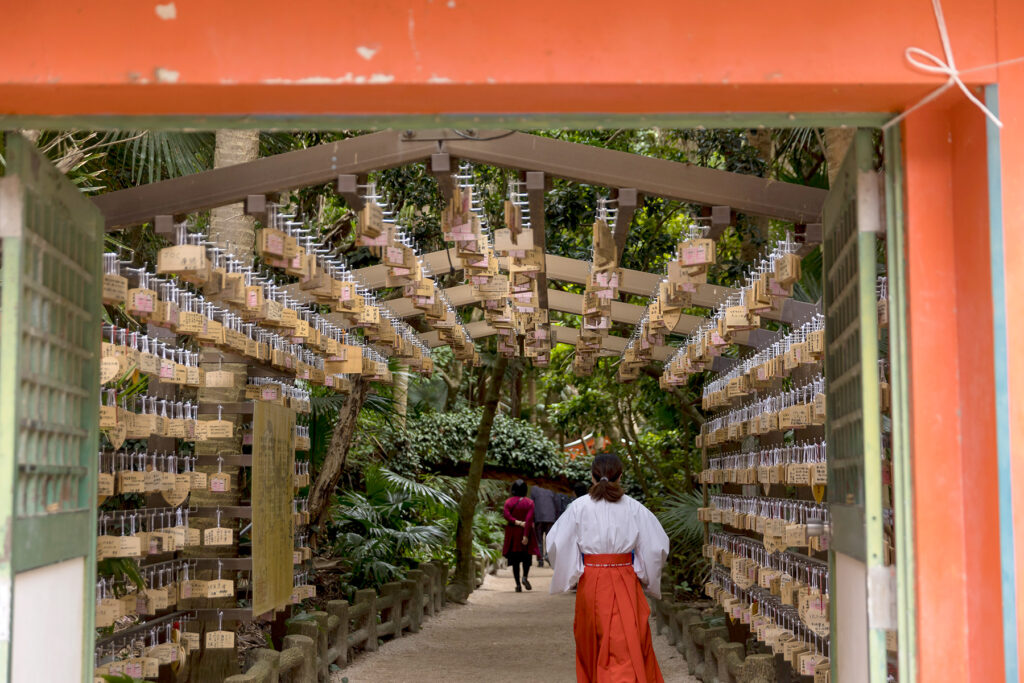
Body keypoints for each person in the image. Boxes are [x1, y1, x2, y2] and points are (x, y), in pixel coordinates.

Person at [546, 454, 669, 683]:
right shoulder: (634, 508)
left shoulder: (578, 508)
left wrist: (573, 572)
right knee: (627, 643)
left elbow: (557, 544)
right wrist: (645, 575)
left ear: (592, 477)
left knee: (594, 642)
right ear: (620, 476)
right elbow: (656, 548)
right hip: (625, 577)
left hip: (592, 580)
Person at [502, 479, 539, 592]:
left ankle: (518, 585)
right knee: (526, 557)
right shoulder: (529, 503)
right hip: (525, 533)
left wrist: (516, 522)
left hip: (513, 533)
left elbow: (506, 515)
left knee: (515, 560)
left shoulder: (508, 502)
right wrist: (526, 536)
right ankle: (525, 577)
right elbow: (529, 519)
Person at [530, 484, 557, 567]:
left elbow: (532, 504)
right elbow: (556, 502)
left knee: (539, 541)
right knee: (550, 539)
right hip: (550, 517)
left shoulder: (534, 488)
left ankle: (540, 560)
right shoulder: (551, 487)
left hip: (539, 517)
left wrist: (532, 519)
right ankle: (548, 557)